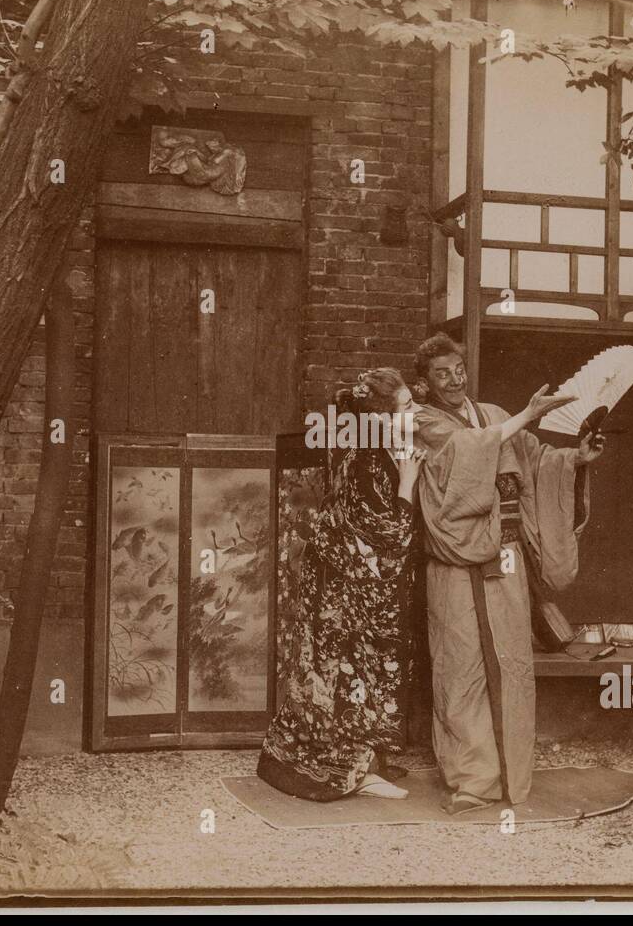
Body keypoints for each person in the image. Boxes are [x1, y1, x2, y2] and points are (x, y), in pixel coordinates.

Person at [412, 333, 605, 814]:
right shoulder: (422, 421)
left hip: (506, 555)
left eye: (459, 369)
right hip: (456, 562)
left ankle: (512, 775)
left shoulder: (497, 414)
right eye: (442, 373)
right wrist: (530, 413)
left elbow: (536, 461)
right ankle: (471, 781)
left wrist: (577, 458)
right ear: (424, 382)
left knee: (512, 663)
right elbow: (464, 449)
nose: (455, 380)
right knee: (461, 667)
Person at [257, 369, 426, 801]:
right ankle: (343, 770)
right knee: (345, 670)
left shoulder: (374, 445)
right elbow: (389, 533)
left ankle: (360, 761)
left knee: (341, 669)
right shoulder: (368, 457)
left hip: (343, 577)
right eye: (407, 407)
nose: (416, 411)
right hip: (344, 585)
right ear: (383, 418)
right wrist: (408, 483)